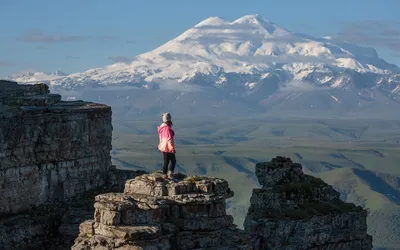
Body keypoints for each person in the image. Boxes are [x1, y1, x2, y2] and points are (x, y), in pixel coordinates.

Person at [157, 112, 176, 178]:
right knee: (173, 161)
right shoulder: (167, 129)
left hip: (163, 146)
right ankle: (170, 173)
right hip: (168, 147)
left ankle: (164, 174)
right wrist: (172, 148)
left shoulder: (162, 128)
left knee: (166, 161)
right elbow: (169, 139)